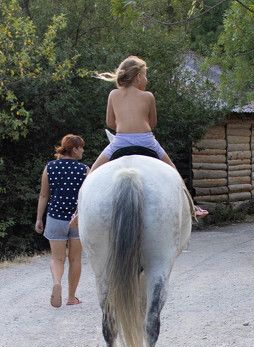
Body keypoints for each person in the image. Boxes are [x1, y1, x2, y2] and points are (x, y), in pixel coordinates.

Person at [88, 55, 208, 217]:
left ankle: (78, 212)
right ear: (137, 77)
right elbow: (152, 124)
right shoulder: (148, 96)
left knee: (92, 173)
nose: (146, 79)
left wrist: (125, 126)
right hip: (146, 140)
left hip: (121, 141)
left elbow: (110, 123)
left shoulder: (113, 94)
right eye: (145, 75)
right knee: (174, 172)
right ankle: (192, 208)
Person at [35, 134, 88, 308]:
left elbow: (44, 195)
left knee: (57, 259)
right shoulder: (84, 170)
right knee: (75, 259)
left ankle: (57, 282)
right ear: (74, 149)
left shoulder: (50, 167)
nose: (82, 151)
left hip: (55, 218)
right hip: (77, 220)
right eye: (81, 148)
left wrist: (39, 219)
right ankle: (71, 298)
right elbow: (87, 198)